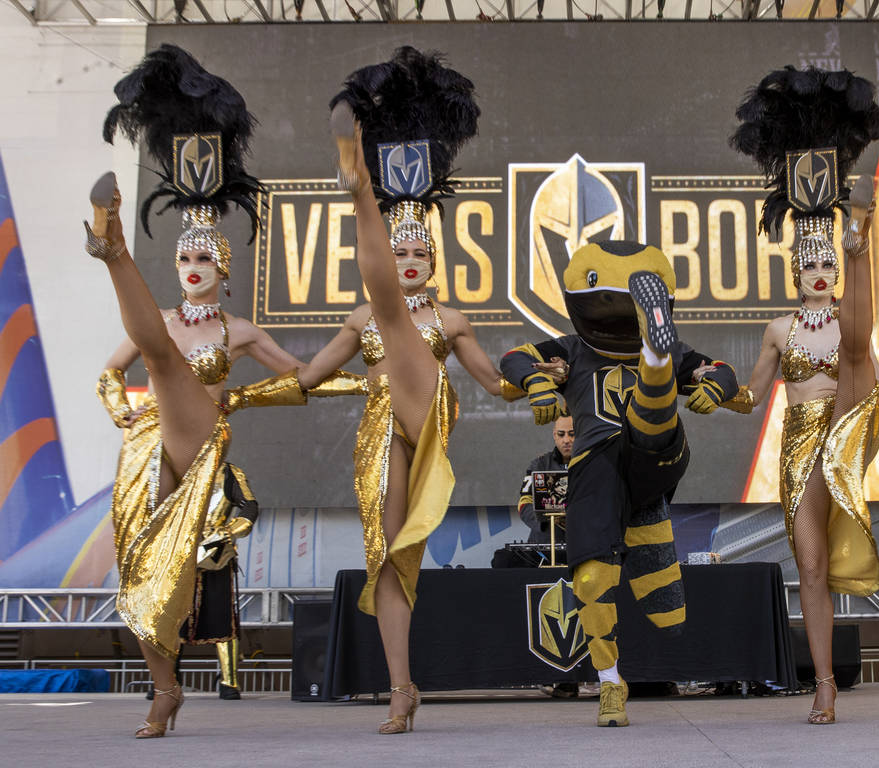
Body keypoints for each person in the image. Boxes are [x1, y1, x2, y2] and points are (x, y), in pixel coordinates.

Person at [89, 45, 315, 737]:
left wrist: (241, 400)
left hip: (202, 444)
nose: (191, 267)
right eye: (183, 257)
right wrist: (122, 410)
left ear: (222, 266)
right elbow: (106, 375)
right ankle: (165, 689)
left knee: (162, 360)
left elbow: (296, 379)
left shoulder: (240, 330)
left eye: (203, 259)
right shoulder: (157, 320)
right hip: (151, 437)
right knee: (142, 568)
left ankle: (112, 251)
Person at [325, 46, 498, 734]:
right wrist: (241, 398)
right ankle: (402, 687)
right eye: (400, 255)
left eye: (419, 254)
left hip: (427, 417)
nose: (411, 261)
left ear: (433, 259)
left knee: (388, 310)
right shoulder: (360, 320)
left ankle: (359, 186)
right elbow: (309, 377)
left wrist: (541, 380)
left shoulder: (450, 318)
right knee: (390, 559)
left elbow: (490, 378)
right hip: (380, 423)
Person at [501, 239, 739, 727]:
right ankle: (610, 684)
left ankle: (655, 360)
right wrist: (538, 382)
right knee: (590, 580)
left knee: (650, 421)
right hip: (597, 473)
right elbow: (513, 358)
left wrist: (716, 385)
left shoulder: (680, 353)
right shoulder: (570, 350)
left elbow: (724, 370)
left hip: (654, 455)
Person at [730, 66, 879, 725]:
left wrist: (856, 250)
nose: (817, 273)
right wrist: (716, 394)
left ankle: (862, 235)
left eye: (828, 264)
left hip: (846, 424)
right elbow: (753, 394)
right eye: (811, 265)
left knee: (855, 343)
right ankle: (822, 682)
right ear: (795, 272)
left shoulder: (849, 321)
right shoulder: (778, 329)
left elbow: (870, 373)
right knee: (812, 568)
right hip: (799, 443)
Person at [518, 415, 574, 545]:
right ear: (554, 435)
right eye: (561, 434)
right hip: (546, 540)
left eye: (572, 434)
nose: (566, 440)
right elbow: (524, 503)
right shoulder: (539, 464)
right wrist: (547, 521)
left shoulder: (593, 465)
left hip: (585, 541)